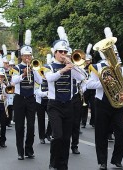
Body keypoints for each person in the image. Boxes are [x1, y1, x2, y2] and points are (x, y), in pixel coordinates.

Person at [87, 27, 123, 170]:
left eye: (115, 54)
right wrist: (103, 82)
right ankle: (102, 162)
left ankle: (117, 160)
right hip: (102, 103)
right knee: (101, 133)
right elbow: (89, 84)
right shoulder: (97, 67)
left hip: (119, 104)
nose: (113, 57)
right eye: (110, 54)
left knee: (121, 133)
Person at [43, 26, 85, 170]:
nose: (63, 54)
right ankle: (53, 162)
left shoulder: (70, 66)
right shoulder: (48, 66)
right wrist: (62, 70)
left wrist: (73, 66)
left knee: (66, 139)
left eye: (65, 52)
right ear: (55, 53)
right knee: (58, 136)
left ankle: (63, 165)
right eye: (60, 52)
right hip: (54, 105)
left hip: (69, 105)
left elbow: (82, 78)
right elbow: (49, 78)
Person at [11, 30, 42, 160]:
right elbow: (13, 82)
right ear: (21, 56)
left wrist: (34, 71)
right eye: (25, 56)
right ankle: (20, 151)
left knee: (30, 126)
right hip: (19, 98)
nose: (28, 58)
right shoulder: (16, 68)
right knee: (19, 127)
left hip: (30, 98)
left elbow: (40, 81)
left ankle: (29, 149)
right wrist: (23, 74)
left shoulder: (35, 67)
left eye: (29, 55)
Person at [35, 54, 52, 144]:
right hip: (40, 102)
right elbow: (37, 92)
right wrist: (46, 93)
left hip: (49, 101)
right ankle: (41, 137)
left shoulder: (50, 79)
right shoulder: (38, 80)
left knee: (52, 118)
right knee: (41, 120)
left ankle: (48, 134)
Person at [81, 43, 96, 128]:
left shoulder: (94, 68)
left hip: (93, 89)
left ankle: (93, 122)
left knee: (94, 106)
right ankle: (83, 122)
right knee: (84, 106)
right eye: (86, 61)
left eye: (89, 61)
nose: (87, 62)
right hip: (85, 88)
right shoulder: (82, 68)